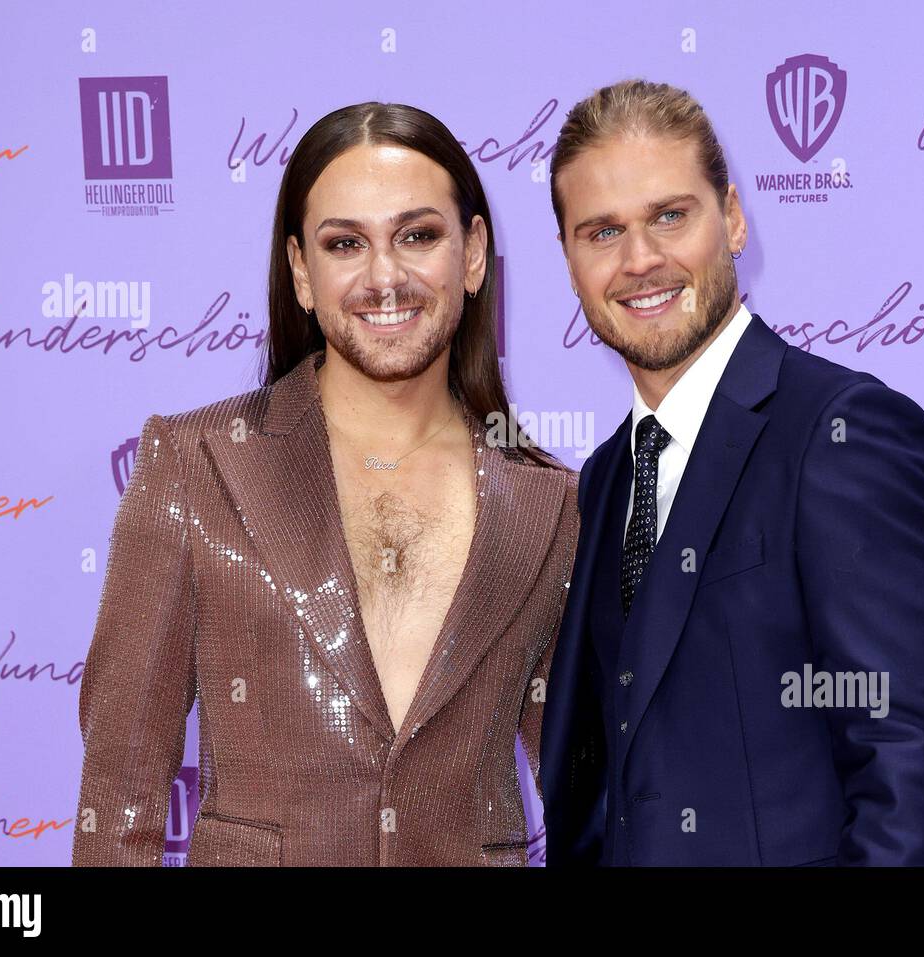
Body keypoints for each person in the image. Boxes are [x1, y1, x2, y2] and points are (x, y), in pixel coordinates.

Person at [72, 102, 578, 866]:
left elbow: (588, 791)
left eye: (418, 235)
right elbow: (118, 803)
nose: (385, 276)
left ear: (473, 254)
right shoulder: (195, 465)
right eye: (346, 243)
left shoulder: (552, 505)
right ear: (302, 272)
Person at [540, 79, 924, 866]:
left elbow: (906, 775)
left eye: (670, 216)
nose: (640, 260)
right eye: (601, 232)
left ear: (732, 218)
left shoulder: (845, 433)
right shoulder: (607, 476)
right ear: (569, 261)